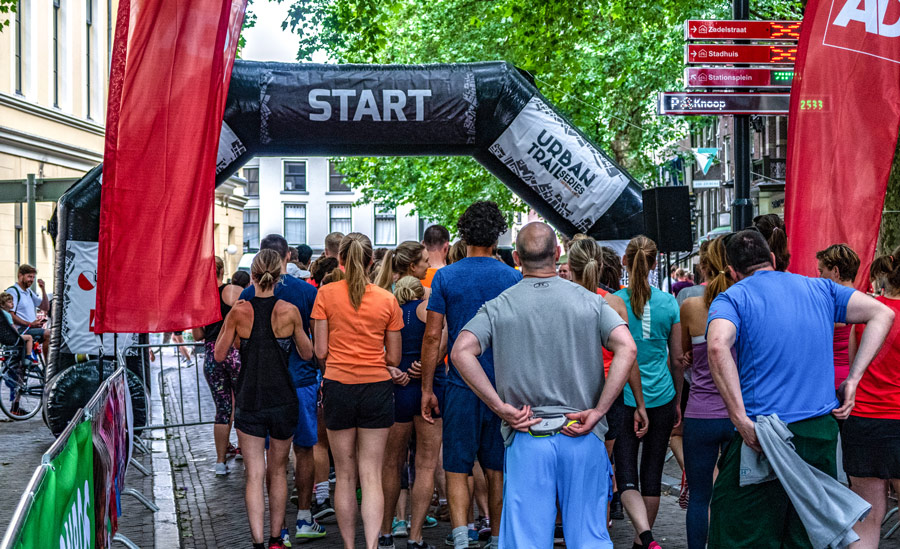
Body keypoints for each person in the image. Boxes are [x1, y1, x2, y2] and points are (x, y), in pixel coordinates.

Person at [451, 222, 638, 548]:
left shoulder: (500, 306)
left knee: (526, 540)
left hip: (527, 432)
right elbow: (628, 347)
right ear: (557, 253)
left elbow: (461, 351)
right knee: (589, 537)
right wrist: (599, 410)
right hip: (581, 429)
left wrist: (500, 408)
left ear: (518, 258)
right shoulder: (591, 302)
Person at [706, 229, 893, 547]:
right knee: (806, 535)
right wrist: (853, 378)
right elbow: (882, 313)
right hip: (817, 435)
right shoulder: (821, 288)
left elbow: (717, 345)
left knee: (739, 531)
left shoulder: (733, 297)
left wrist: (738, 417)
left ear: (732, 271)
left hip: (762, 435)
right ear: (773, 259)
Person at [420, 201, 522, 549]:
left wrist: (427, 388)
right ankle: (496, 536)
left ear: (462, 235)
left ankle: (462, 537)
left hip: (460, 385)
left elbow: (433, 336)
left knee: (457, 465)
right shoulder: (512, 277)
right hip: (501, 385)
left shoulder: (447, 276)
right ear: (497, 236)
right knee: (497, 467)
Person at [214, 249, 314, 549]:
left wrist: (232, 321)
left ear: (253, 275)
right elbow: (308, 354)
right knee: (279, 471)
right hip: (284, 398)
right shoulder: (288, 310)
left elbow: (219, 354)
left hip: (250, 399)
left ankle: (258, 541)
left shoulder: (240, 310)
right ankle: (275, 539)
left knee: (254, 475)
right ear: (279, 275)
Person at [311, 233, 405, 549]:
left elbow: (320, 350)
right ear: (370, 261)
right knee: (371, 475)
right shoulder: (387, 299)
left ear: (340, 259)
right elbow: (394, 357)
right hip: (377, 387)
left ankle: (350, 546)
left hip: (338, 385)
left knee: (346, 475)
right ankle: (372, 546)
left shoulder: (325, 294)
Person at [240, 235, 324, 544]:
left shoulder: (246, 297)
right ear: (286, 256)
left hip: (257, 390)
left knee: (260, 466)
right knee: (301, 452)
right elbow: (313, 346)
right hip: (299, 386)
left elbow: (233, 348)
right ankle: (302, 517)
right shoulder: (305, 293)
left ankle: (274, 533)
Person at [567, 238, 648, 525]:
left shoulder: (561, 300)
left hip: (570, 393)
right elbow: (629, 356)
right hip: (609, 395)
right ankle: (597, 528)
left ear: (568, 265)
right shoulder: (613, 303)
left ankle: (567, 523)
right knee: (601, 465)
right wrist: (639, 403)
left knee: (569, 465)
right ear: (601, 265)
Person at [613, 235, 683, 549]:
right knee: (652, 471)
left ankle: (644, 535)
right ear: (655, 263)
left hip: (625, 396)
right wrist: (678, 398)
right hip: (664, 396)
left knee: (625, 470)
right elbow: (678, 358)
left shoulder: (615, 301)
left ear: (625, 262)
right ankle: (643, 543)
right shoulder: (669, 303)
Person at [380, 276, 446, 549]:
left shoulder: (391, 311)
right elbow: (442, 339)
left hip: (398, 388)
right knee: (426, 465)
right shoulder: (429, 310)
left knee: (391, 464)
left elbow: (380, 351)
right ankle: (415, 537)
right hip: (428, 388)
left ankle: (385, 533)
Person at [678, 236, 734, 549]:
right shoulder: (743, 303)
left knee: (700, 496)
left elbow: (685, 354)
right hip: (738, 414)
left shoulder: (690, 307)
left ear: (703, 267)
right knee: (735, 495)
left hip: (700, 414)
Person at [844, 250, 900, 547]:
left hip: (863, 420)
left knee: (867, 516)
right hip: (898, 418)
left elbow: (856, 368)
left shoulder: (868, 312)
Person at [191, 257, 243, 476]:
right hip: (234, 351)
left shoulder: (200, 297)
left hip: (212, 355)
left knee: (222, 409)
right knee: (242, 405)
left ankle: (220, 462)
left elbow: (197, 335)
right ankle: (246, 452)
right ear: (223, 271)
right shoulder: (232, 291)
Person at [816, 244, 861, 391]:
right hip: (856, 382)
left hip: (828, 381)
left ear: (835, 271)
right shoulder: (868, 304)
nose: (819, 277)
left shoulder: (827, 307)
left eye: (821, 271)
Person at [5, 264, 49, 343]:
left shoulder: (28, 292)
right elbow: (11, 315)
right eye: (29, 276)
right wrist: (30, 324)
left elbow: (45, 307)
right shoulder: (13, 291)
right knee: (49, 334)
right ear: (20, 276)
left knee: (55, 334)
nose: (32, 280)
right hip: (20, 330)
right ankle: (49, 356)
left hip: (30, 328)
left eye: (33, 277)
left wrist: (43, 289)